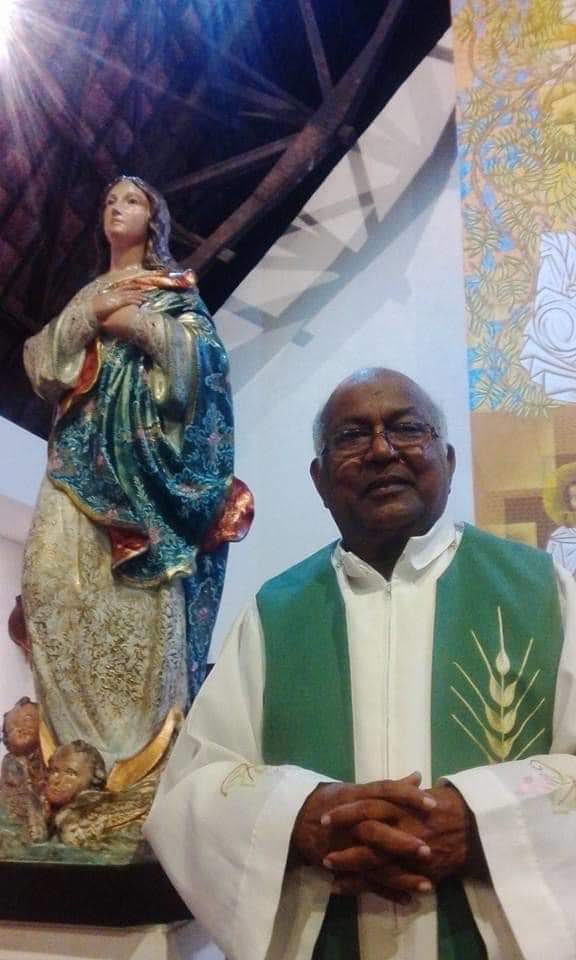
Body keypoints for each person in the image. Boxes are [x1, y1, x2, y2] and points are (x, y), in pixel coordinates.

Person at [145, 367, 576, 960]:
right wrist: (299, 818)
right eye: (351, 435)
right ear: (320, 480)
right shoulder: (275, 613)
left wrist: (483, 823)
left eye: (407, 428)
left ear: (448, 460)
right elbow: (191, 787)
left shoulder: (544, 591)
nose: (381, 450)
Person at [22, 175, 252, 771]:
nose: (115, 208)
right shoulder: (88, 293)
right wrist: (93, 313)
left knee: (134, 600)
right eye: (108, 200)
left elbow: (203, 363)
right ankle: (72, 755)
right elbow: (41, 362)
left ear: (154, 219)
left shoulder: (173, 289)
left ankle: (136, 756)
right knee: (48, 583)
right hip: (75, 460)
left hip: (141, 469)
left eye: (131, 201)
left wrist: (136, 324)